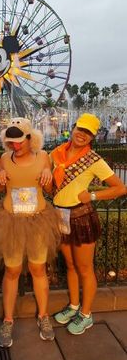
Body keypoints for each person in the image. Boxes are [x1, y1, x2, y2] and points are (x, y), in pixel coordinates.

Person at [50, 113, 126, 335]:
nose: (82, 135)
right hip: (60, 216)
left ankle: (86, 314)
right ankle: (74, 306)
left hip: (82, 218)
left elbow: (120, 188)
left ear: (92, 137)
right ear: (73, 128)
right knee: (71, 266)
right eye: (80, 129)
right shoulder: (57, 154)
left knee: (85, 268)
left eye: (88, 133)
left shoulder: (94, 160)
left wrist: (92, 196)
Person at [0, 117, 61, 347]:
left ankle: (43, 316)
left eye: (19, 140)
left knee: (38, 269)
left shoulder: (43, 157)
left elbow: (49, 189)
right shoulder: (3, 158)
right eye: (11, 141)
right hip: (11, 221)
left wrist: (49, 178)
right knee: (12, 271)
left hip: (37, 220)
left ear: (30, 138)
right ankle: (8, 320)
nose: (15, 145)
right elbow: (0, 189)